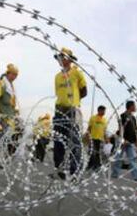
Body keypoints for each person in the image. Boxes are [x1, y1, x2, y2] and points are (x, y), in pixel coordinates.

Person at [52, 47, 87, 180]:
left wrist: (74, 101)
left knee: (74, 141)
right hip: (59, 110)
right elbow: (58, 94)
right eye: (59, 57)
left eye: (62, 57)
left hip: (72, 110)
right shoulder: (57, 77)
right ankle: (59, 169)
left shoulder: (77, 73)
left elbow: (84, 91)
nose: (60, 59)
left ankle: (74, 172)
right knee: (58, 140)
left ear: (69, 59)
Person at [111, 101, 137, 181]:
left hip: (130, 141)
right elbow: (121, 127)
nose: (135, 107)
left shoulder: (133, 117)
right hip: (123, 141)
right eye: (134, 105)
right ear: (130, 106)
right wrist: (123, 139)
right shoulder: (123, 116)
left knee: (133, 159)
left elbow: (135, 129)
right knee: (118, 157)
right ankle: (115, 173)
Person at [0, 64, 20, 155]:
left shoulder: (12, 87)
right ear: (8, 73)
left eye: (16, 75)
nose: (15, 77)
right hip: (3, 115)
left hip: (10, 116)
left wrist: (15, 111)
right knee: (3, 137)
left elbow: (11, 103)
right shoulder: (2, 83)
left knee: (6, 137)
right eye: (13, 74)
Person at [87, 105, 108, 171]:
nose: (104, 112)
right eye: (103, 111)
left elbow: (104, 130)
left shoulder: (104, 120)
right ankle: (90, 165)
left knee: (98, 153)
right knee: (92, 152)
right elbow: (89, 128)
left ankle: (97, 166)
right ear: (99, 110)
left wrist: (106, 138)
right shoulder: (93, 118)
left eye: (104, 111)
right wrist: (88, 136)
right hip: (93, 138)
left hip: (100, 139)